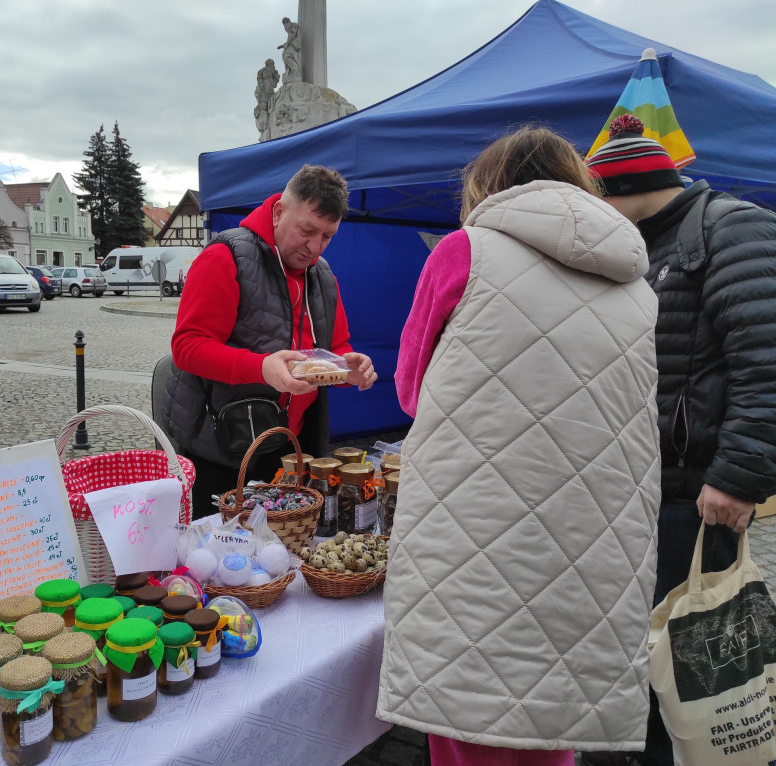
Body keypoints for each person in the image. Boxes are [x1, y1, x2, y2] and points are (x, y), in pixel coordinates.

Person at [377, 126, 662, 765]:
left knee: (468, 713)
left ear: (485, 187)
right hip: (594, 536)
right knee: (552, 716)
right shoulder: (637, 286)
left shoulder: (463, 251)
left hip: (475, 529)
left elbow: (410, 391)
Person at [586, 114, 776, 765]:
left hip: (695, 500)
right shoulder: (646, 245)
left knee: (695, 668)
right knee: (645, 664)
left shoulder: (735, 228)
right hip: (638, 496)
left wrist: (737, 477)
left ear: (617, 191)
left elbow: (775, 360)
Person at [162, 165, 377, 519]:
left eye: (327, 236)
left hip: (292, 448)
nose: (314, 247)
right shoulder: (224, 257)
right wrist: (261, 367)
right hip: (222, 448)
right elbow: (187, 346)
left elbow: (337, 346)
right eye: (307, 231)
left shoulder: (323, 276)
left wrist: (348, 367)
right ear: (278, 212)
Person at [277, 17, 302, 86]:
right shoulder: (291, 27)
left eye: (285, 24)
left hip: (295, 45)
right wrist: (283, 46)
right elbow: (290, 39)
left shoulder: (293, 26)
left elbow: (291, 37)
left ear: (287, 22)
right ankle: (292, 73)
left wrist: (285, 45)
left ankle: (296, 73)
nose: (284, 27)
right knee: (285, 55)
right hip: (293, 45)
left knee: (287, 57)